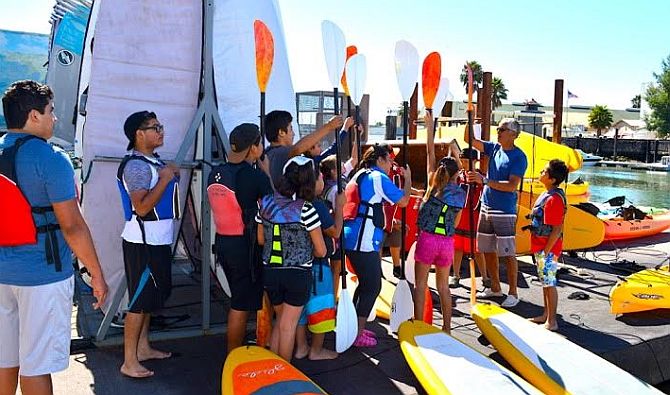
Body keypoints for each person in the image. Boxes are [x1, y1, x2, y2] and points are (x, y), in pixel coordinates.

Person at [0, 80, 108, 395]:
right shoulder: (51, 158)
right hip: (42, 278)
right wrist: (97, 275)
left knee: (5, 360)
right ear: (34, 116)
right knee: (36, 366)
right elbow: (72, 226)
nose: (54, 119)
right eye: (50, 112)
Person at [117, 111, 180, 378]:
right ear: (138, 134)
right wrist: (166, 177)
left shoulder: (152, 161)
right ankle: (129, 361)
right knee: (139, 301)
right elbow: (141, 208)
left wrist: (167, 172)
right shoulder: (137, 166)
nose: (161, 131)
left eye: (160, 126)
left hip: (157, 240)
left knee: (151, 298)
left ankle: (143, 349)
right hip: (142, 242)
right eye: (154, 128)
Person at [207, 123, 273, 354]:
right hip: (246, 245)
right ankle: (233, 355)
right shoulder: (254, 177)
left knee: (241, 296)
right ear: (253, 148)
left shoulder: (215, 173)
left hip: (224, 243)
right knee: (241, 303)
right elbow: (272, 207)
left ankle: (245, 346)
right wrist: (266, 173)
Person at [256, 156, 326, 361]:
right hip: (297, 275)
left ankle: (274, 367)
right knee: (288, 326)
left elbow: (261, 239)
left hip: (270, 272)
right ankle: (284, 374)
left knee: (281, 321)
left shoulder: (265, 202)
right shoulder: (306, 209)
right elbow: (321, 251)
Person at [343, 144, 412, 347]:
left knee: (366, 284)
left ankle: (354, 329)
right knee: (373, 286)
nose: (392, 165)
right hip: (362, 240)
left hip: (353, 237)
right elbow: (404, 201)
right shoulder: (378, 177)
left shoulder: (360, 174)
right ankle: (356, 335)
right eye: (390, 160)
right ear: (380, 159)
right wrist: (407, 178)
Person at [465, 118, 528, 308]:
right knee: (487, 249)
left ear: (513, 134)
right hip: (487, 205)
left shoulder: (519, 157)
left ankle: (513, 292)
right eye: (498, 128)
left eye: (502, 129)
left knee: (508, 253)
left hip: (504, 210)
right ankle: (495, 287)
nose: (498, 131)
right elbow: (470, 139)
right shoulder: (494, 148)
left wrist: (484, 181)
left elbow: (511, 186)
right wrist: (471, 116)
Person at [413, 112, 466, 333]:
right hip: (446, 243)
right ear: (456, 174)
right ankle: (446, 327)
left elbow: (429, 152)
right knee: (443, 287)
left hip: (427, 240)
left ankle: (419, 324)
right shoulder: (460, 194)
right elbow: (456, 222)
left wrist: (429, 127)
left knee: (421, 285)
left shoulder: (432, 186)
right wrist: (456, 154)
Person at [294, 169, 344, 360]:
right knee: (321, 308)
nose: (323, 180)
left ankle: (301, 347)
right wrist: (340, 207)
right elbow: (335, 232)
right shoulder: (317, 204)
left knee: (300, 309)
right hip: (318, 265)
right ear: (313, 183)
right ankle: (316, 350)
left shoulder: (292, 202)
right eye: (320, 178)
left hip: (298, 264)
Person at [528, 160, 568, 331]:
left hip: (548, 248)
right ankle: (546, 314)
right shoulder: (547, 194)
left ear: (551, 179)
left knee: (549, 282)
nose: (540, 172)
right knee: (545, 281)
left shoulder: (554, 199)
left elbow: (557, 229)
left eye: (544, 171)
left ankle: (552, 321)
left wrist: (546, 251)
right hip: (541, 246)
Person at [263, 110, 344, 186]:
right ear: (281, 132)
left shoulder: (269, 153)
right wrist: (329, 126)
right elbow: (297, 149)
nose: (293, 134)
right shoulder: (278, 153)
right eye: (291, 129)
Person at [319, 143, 359, 296]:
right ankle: (333, 298)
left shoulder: (338, 179)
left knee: (336, 266)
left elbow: (354, 159)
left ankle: (332, 295)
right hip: (336, 230)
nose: (344, 164)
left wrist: (356, 136)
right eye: (340, 163)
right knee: (336, 267)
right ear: (333, 171)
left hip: (334, 229)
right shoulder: (334, 190)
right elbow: (338, 211)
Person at [451, 147, 489, 289]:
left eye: (467, 160)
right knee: (457, 247)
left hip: (474, 217)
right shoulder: (458, 176)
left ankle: (485, 277)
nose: (464, 163)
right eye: (462, 160)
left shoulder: (480, 177)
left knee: (477, 250)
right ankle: (456, 275)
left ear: (475, 161)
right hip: (459, 217)